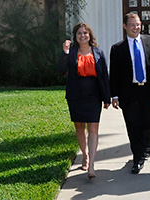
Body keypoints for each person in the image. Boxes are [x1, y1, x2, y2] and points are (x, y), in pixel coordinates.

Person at [56, 22, 111, 179]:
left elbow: (104, 77)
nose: (83, 36)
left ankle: (91, 164)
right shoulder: (71, 53)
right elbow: (60, 70)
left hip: (94, 96)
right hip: (75, 96)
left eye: (85, 33)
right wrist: (65, 52)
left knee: (93, 128)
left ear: (90, 35)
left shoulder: (98, 53)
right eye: (79, 33)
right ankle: (85, 157)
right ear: (75, 37)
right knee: (80, 127)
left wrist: (106, 97)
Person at [109, 13, 150, 174]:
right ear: (125, 26)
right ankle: (138, 158)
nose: (135, 27)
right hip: (129, 93)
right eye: (132, 25)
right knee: (133, 126)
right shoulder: (117, 48)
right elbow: (115, 74)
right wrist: (115, 95)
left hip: (149, 91)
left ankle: (145, 147)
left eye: (138, 24)